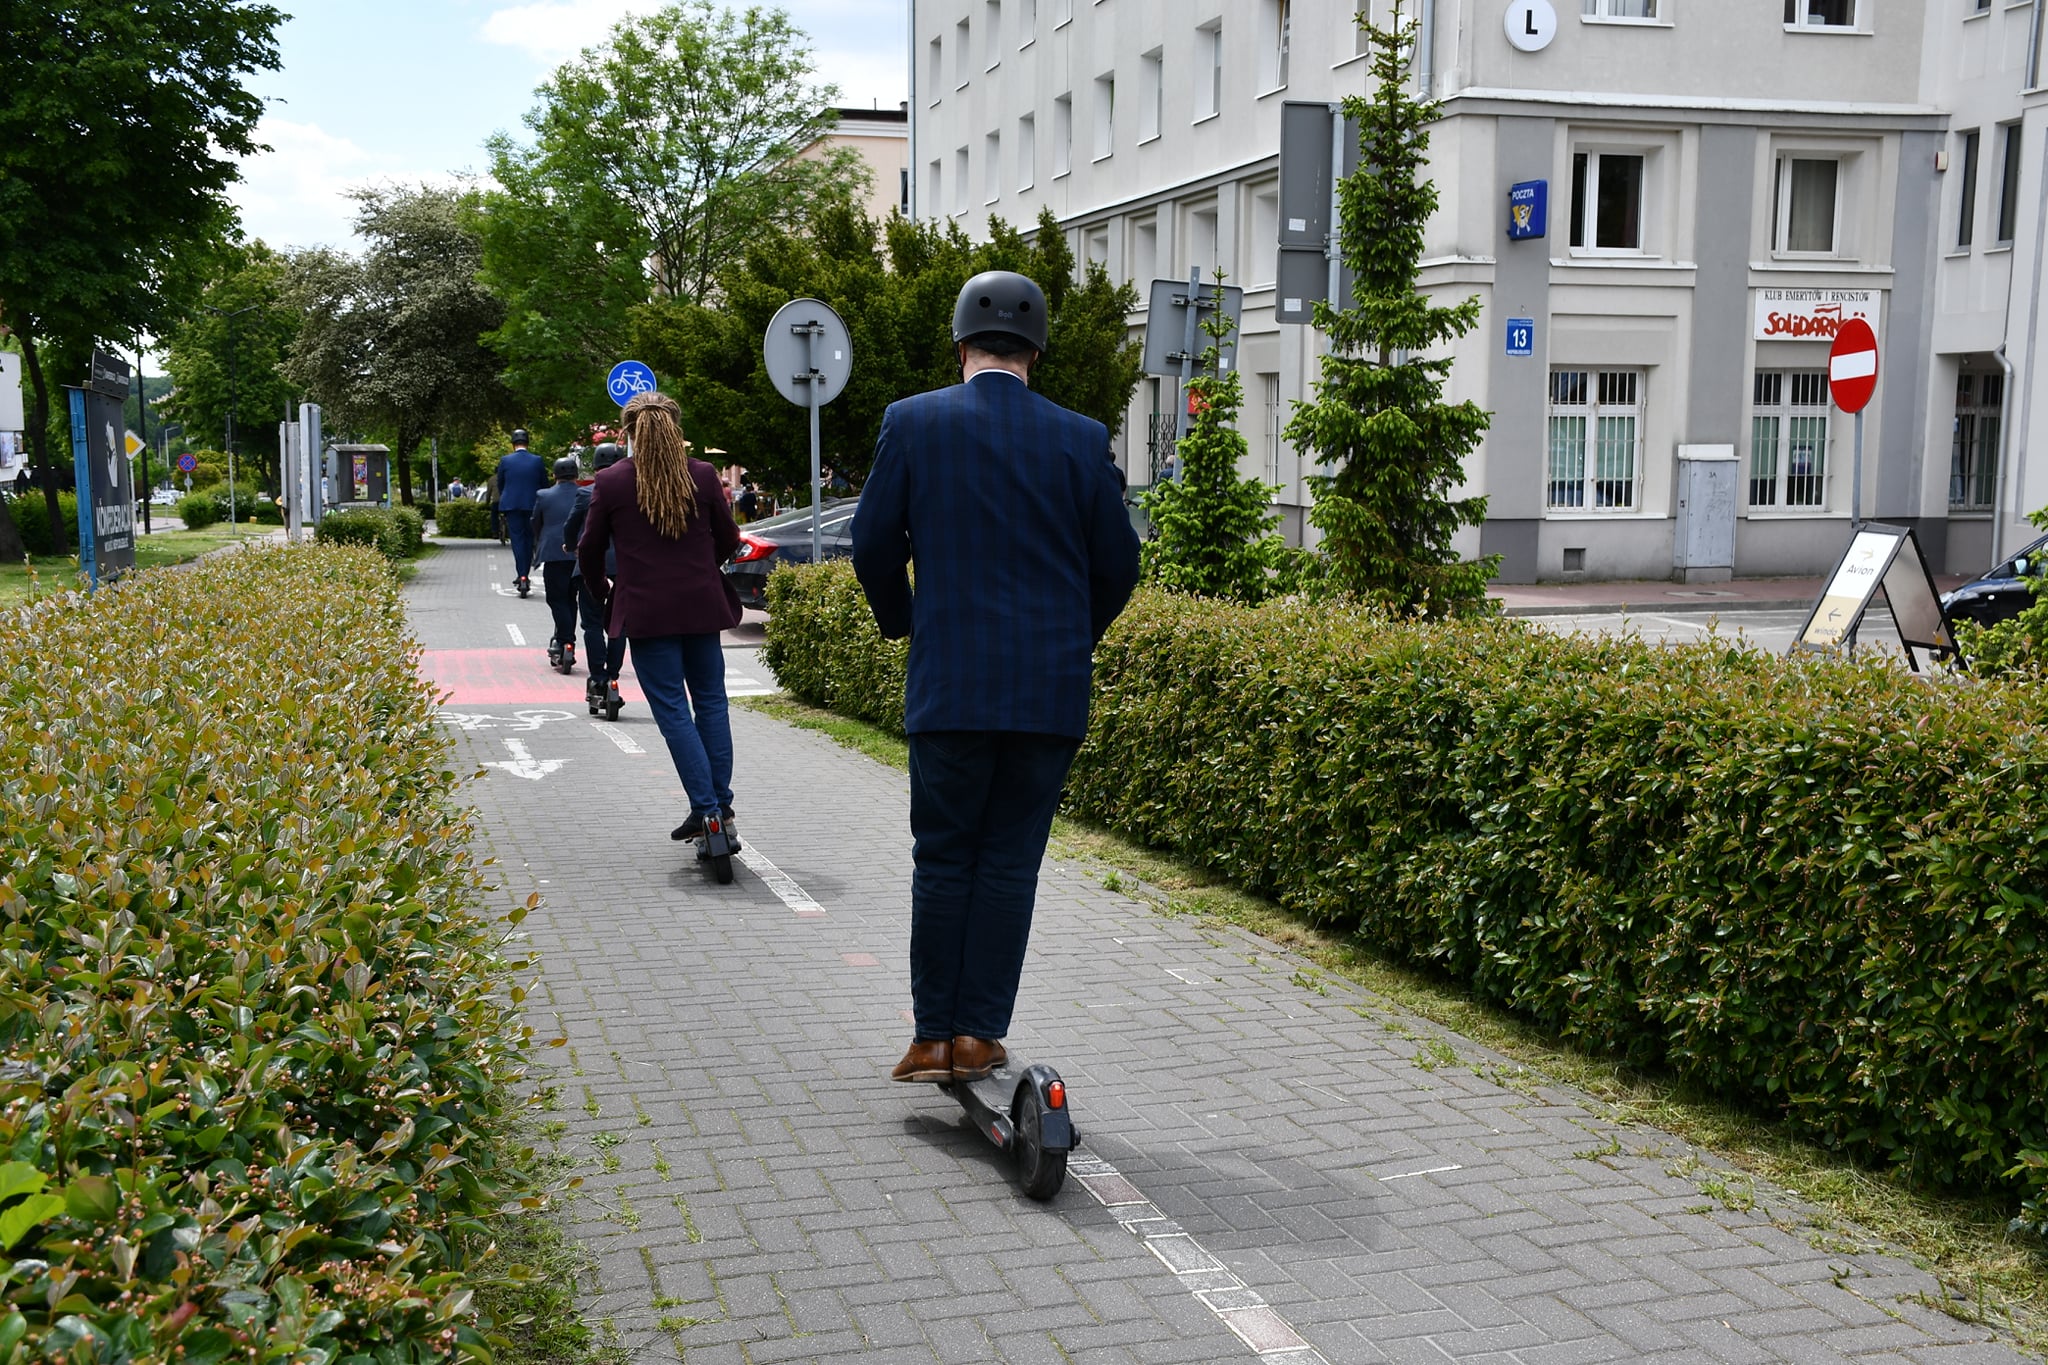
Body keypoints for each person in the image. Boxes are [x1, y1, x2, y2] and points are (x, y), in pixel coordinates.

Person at [851, 270, 1140, 1086]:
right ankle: (979, 1034)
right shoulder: (1081, 438)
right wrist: (1071, 634)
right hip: (1047, 692)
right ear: (1037, 352)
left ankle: (930, 1035)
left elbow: (872, 544)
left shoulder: (913, 423)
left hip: (950, 685)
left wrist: (905, 620)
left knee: (943, 857)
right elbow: (1120, 564)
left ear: (960, 345)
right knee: (1010, 861)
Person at [577, 392, 744, 843]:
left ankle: (706, 811)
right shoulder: (703, 475)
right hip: (702, 605)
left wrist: (601, 589)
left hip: (648, 613)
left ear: (628, 432)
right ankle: (720, 808)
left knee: (672, 710)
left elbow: (589, 549)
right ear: (676, 426)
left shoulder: (611, 481)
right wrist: (701, 568)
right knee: (711, 703)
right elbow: (730, 537)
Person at [564, 441, 630, 715]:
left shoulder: (586, 493)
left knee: (591, 624)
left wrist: (569, 545)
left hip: (592, 565)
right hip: (626, 568)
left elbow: (572, 524)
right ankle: (614, 675)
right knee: (619, 625)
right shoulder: (634, 491)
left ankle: (599, 677)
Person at [531, 456, 585, 672]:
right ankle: (566, 641)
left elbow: (535, 522)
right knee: (572, 599)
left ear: (554, 475)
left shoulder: (544, 495)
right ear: (576, 476)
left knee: (556, 598)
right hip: (580, 554)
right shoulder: (585, 494)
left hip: (553, 553)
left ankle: (564, 639)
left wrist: (540, 540)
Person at [495, 429, 547, 591]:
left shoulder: (505, 461)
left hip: (512, 505)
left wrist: (507, 496)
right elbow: (544, 484)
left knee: (517, 540)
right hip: (532, 505)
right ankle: (527, 571)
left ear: (513, 444)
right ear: (528, 442)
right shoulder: (537, 461)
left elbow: (501, 483)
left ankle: (522, 575)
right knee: (530, 538)